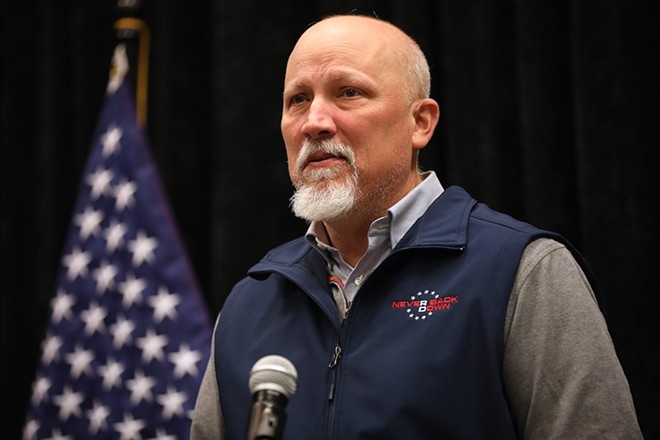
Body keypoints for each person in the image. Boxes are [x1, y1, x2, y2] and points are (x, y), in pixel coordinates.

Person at [191, 14, 642, 439]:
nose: (315, 122)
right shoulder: (251, 301)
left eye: (349, 92)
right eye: (298, 100)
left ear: (420, 123)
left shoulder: (522, 272)